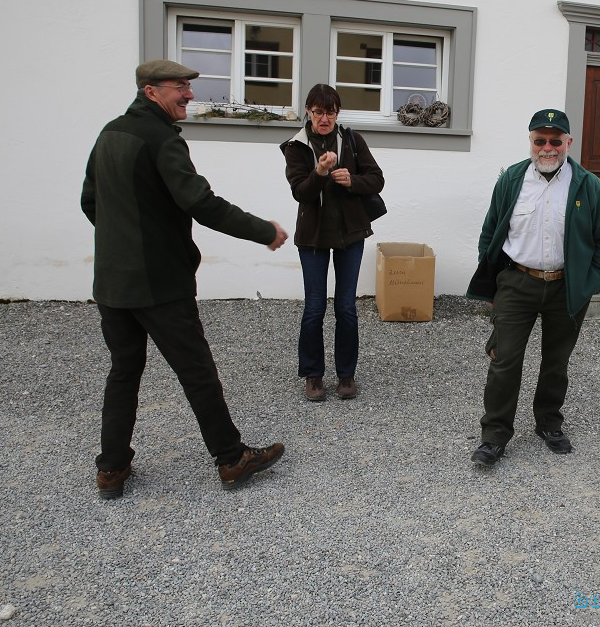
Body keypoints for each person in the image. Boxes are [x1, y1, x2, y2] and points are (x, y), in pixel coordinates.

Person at [81, 59, 289, 499]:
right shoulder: (161, 140)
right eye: (180, 87)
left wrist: (124, 239)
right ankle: (232, 459)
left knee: (123, 371)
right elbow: (202, 203)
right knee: (197, 372)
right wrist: (264, 230)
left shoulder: (109, 134)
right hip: (159, 282)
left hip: (112, 282)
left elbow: (90, 203)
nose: (190, 95)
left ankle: (112, 469)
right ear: (151, 92)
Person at [466, 108, 600, 467]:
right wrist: (491, 285)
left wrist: (592, 281)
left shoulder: (589, 185)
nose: (547, 147)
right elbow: (490, 231)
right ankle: (494, 436)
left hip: (566, 288)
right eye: (540, 140)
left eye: (555, 140)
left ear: (568, 142)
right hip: (517, 282)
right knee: (504, 360)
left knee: (556, 362)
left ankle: (548, 423)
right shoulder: (512, 180)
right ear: (531, 141)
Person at [280, 84, 384, 402]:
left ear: (337, 113)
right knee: (314, 308)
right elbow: (301, 192)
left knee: (346, 308)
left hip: (350, 236)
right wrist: (321, 172)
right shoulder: (297, 146)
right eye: (318, 111)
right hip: (312, 238)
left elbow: (377, 178)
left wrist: (353, 180)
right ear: (308, 111)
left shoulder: (352, 140)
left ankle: (346, 375)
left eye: (330, 112)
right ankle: (313, 376)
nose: (324, 118)